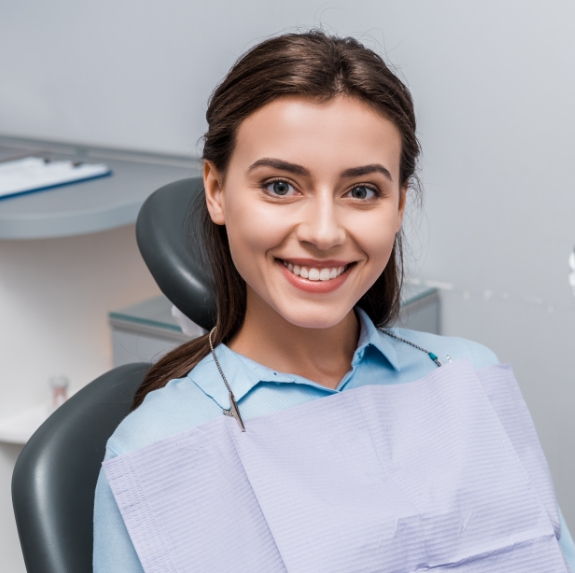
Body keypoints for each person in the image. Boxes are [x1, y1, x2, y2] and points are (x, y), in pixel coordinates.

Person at [93, 31, 575, 572]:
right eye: (280, 186)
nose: (323, 232)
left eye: (362, 191)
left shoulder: (465, 377)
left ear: (398, 206)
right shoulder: (156, 448)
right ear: (216, 190)